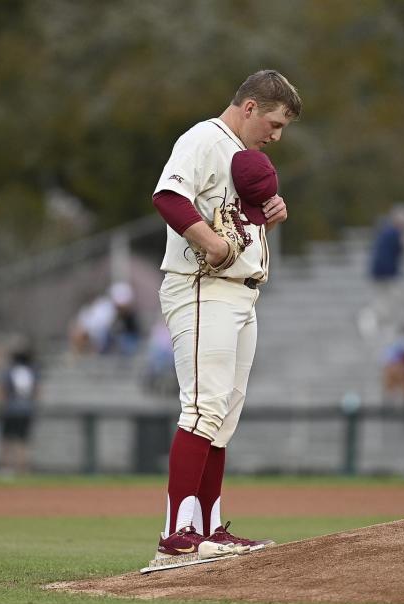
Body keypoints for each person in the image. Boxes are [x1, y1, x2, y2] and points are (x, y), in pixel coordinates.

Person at [145, 69, 301, 571]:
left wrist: (266, 214)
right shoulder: (204, 138)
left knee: (223, 418)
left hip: (239, 292)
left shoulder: (244, 154)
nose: (276, 136)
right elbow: (168, 197)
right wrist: (207, 241)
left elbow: (232, 214)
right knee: (202, 409)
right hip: (200, 287)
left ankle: (209, 531)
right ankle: (175, 536)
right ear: (251, 107)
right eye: (274, 123)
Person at [0, 349, 38, 476]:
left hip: (10, 409)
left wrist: (1, 407)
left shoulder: (9, 371)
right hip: (26, 410)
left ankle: (6, 469)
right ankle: (23, 469)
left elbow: (2, 391)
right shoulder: (31, 372)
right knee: (23, 442)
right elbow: (37, 391)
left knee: (6, 441)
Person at [368, 205, 404, 280]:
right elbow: (403, 247)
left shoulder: (386, 231)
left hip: (379, 272)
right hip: (385, 273)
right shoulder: (393, 233)